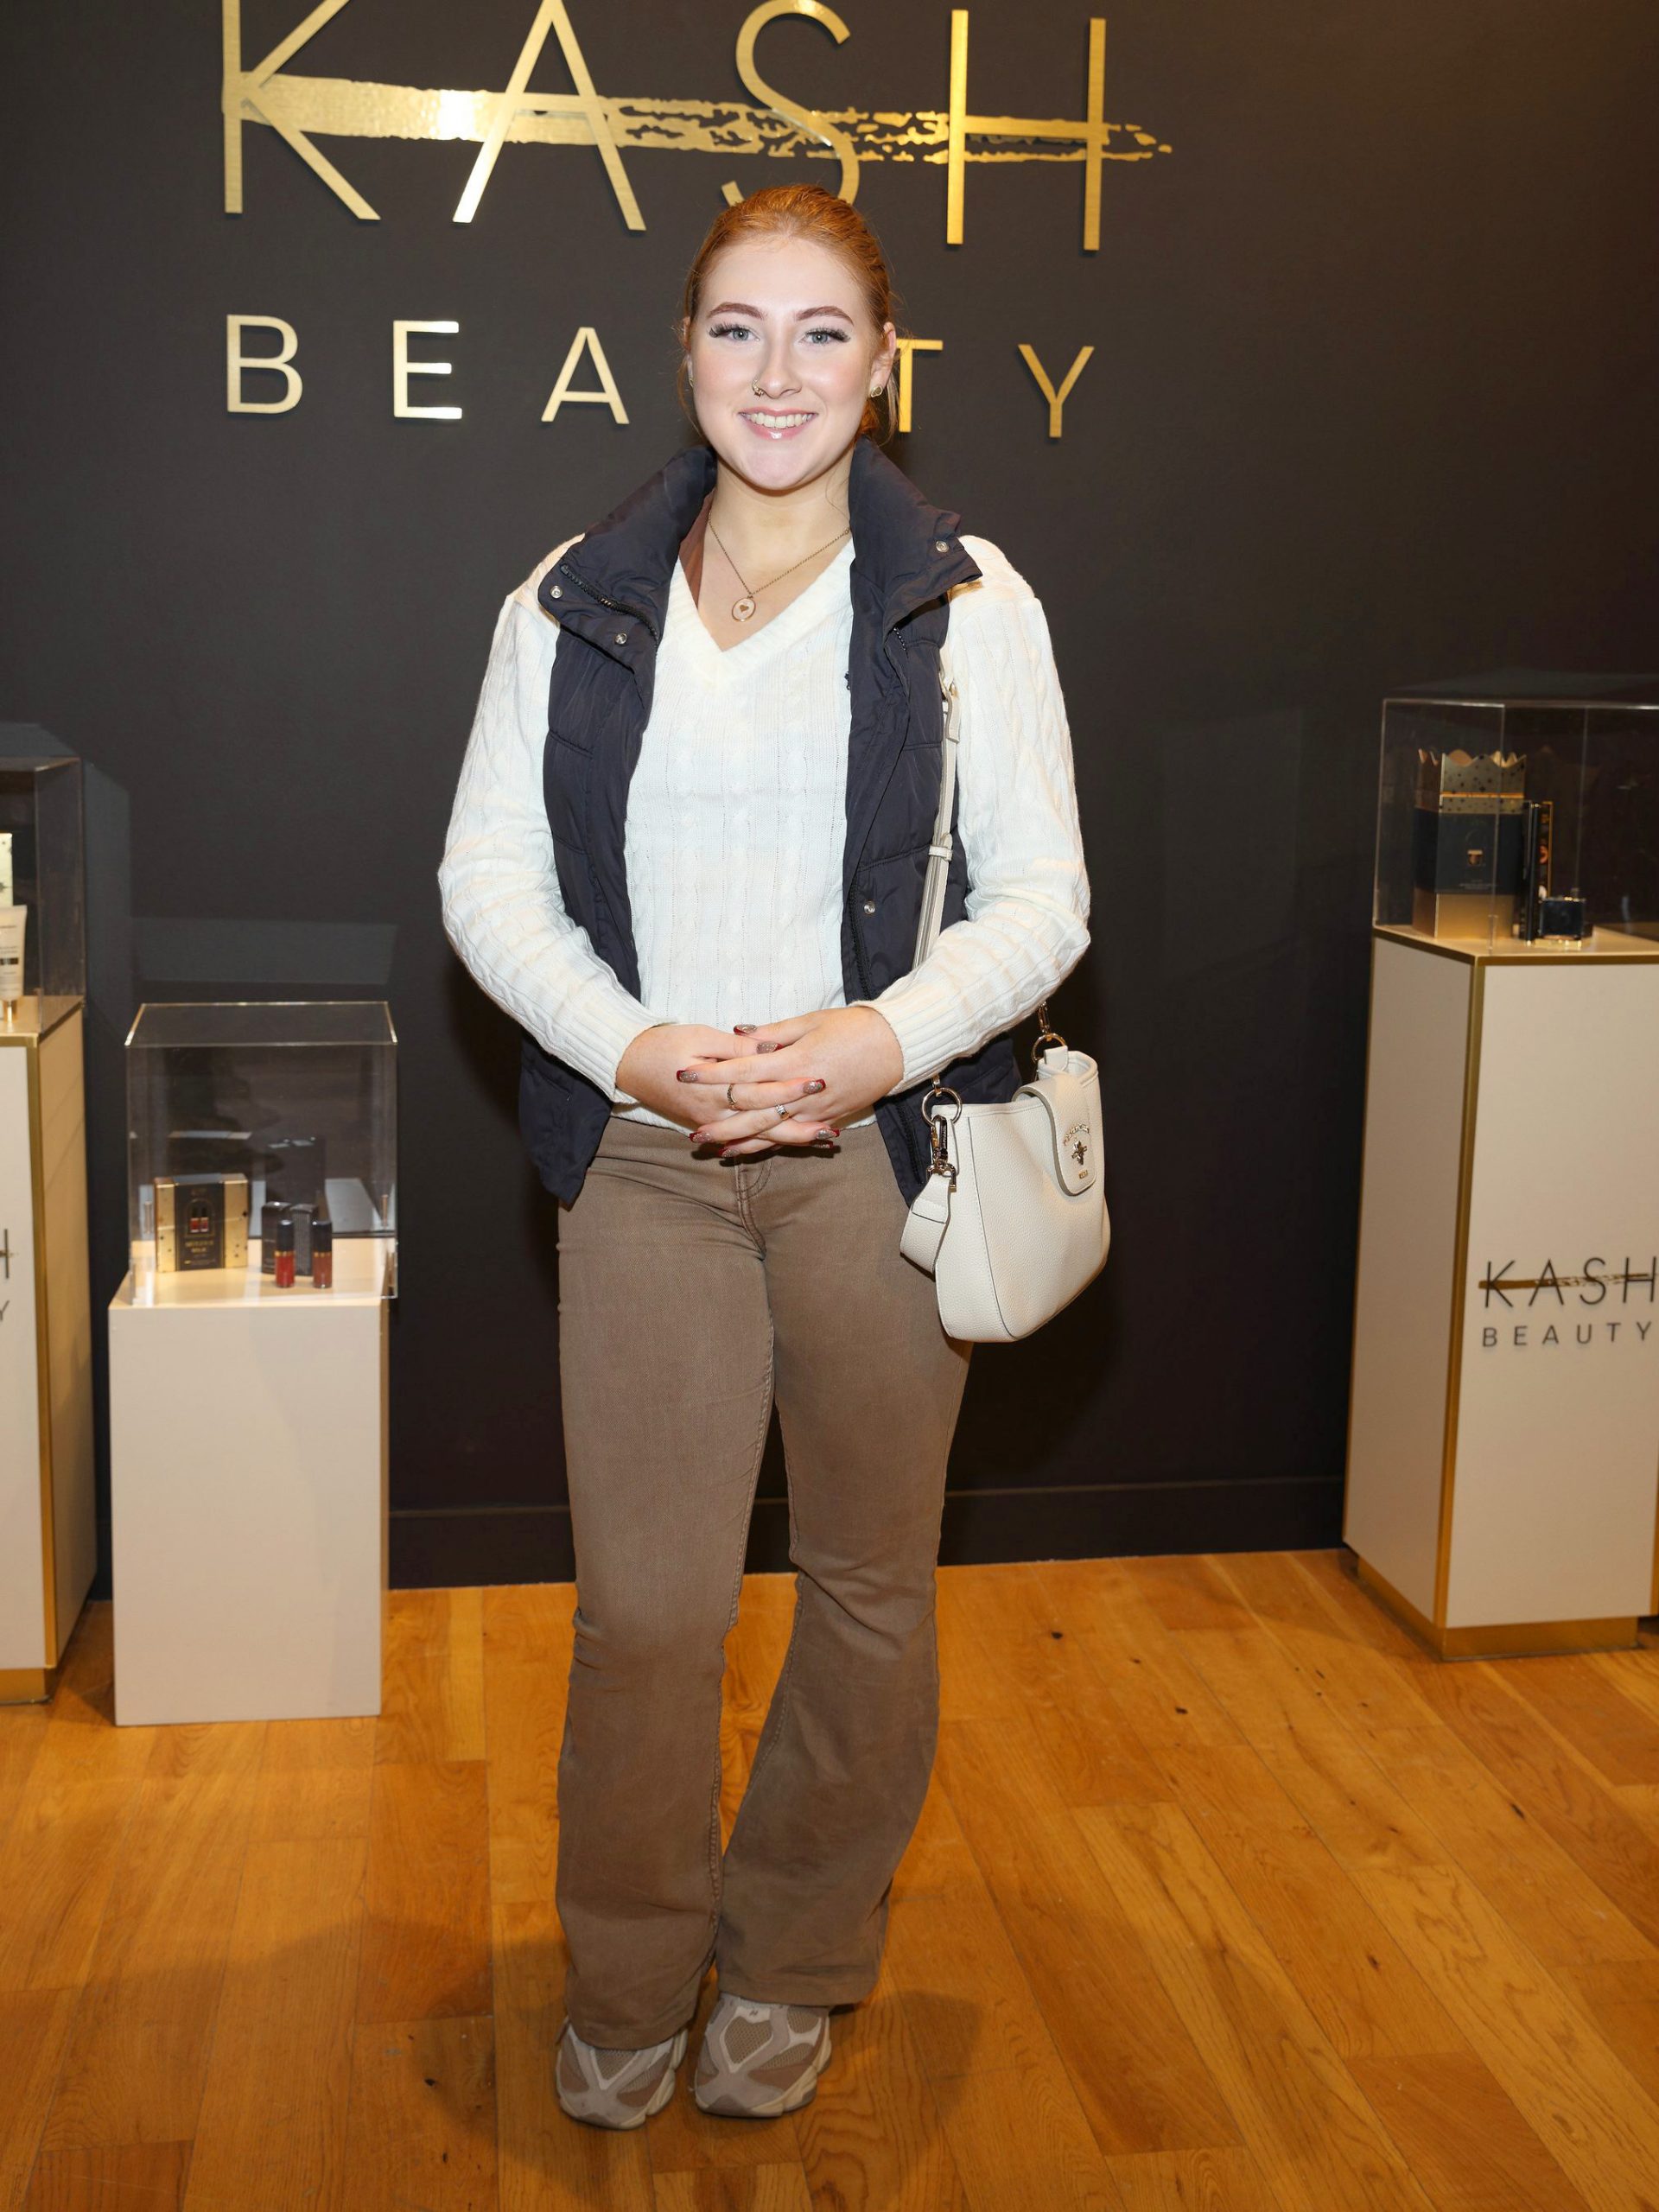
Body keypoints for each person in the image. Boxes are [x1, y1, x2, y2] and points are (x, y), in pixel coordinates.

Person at [438, 182, 1090, 2130]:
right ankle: (630, 1974)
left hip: (879, 1154)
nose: (778, 372)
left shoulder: (970, 607)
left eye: (821, 332)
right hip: (646, 1156)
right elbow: (489, 880)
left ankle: (796, 1952)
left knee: (869, 1585)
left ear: (882, 364)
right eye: (738, 327)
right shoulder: (572, 598)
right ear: (687, 353)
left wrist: (862, 1042)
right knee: (648, 1611)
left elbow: (1043, 902)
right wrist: (639, 1049)